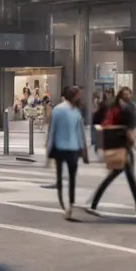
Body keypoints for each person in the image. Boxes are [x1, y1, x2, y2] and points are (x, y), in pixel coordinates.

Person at [87, 87, 136, 220]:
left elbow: (96, 120)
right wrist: (132, 141)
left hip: (113, 145)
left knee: (115, 176)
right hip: (121, 147)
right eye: (127, 94)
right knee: (128, 178)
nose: (128, 96)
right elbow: (130, 128)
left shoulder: (109, 105)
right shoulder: (125, 108)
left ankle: (93, 204)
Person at [47, 86, 88, 221]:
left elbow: (52, 131)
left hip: (60, 147)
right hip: (73, 148)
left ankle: (64, 204)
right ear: (74, 96)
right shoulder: (75, 112)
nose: (79, 97)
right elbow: (80, 132)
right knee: (72, 178)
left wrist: (49, 150)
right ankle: (69, 205)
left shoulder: (58, 110)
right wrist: (83, 149)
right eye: (78, 95)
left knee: (60, 177)